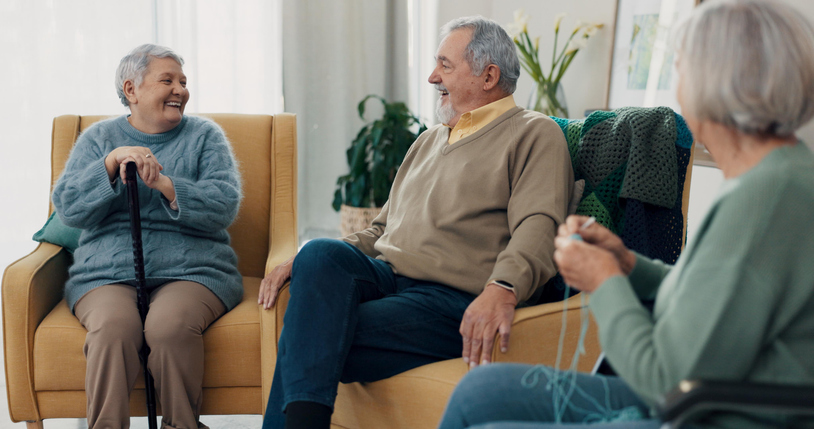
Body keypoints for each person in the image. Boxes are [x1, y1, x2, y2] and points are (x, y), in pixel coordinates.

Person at [437, 1, 814, 428]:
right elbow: (715, 296)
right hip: (703, 390)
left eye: (682, 69)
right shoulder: (774, 178)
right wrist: (628, 264)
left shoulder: (764, 200)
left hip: (702, 409)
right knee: (479, 391)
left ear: (718, 85)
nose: (679, 87)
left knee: (490, 420)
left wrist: (605, 281)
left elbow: (664, 380)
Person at [258, 16, 574, 429]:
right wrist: (301, 265)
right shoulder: (429, 139)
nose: (431, 76)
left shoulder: (534, 134)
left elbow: (540, 222)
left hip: (449, 296)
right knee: (318, 253)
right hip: (387, 277)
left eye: (445, 65)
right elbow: (380, 229)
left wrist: (504, 285)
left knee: (315, 330)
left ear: (488, 75)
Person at [52, 44, 243, 429]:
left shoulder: (206, 136)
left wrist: (168, 186)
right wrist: (108, 165)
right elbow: (68, 207)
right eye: (167, 80)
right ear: (132, 89)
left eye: (184, 82)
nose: (180, 90)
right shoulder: (98, 139)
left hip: (193, 270)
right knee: (113, 330)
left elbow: (225, 205)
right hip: (107, 272)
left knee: (169, 326)